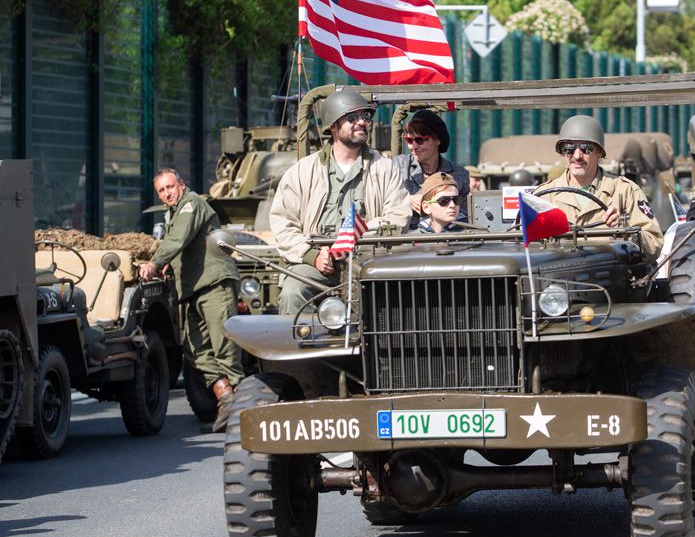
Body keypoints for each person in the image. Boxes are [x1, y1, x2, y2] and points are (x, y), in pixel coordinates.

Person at [270, 89, 411, 314]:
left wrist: (358, 237)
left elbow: (398, 216)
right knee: (292, 292)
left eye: (365, 117)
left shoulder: (384, 169)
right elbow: (282, 222)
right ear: (333, 126)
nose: (362, 123)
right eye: (352, 118)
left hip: (367, 261)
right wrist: (312, 256)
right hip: (317, 263)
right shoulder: (304, 171)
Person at [138, 168, 243, 433]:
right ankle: (226, 397)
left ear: (181, 185)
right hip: (193, 290)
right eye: (161, 191)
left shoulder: (191, 203)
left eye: (170, 187)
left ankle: (244, 412)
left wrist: (156, 262)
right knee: (194, 350)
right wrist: (167, 265)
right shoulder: (173, 213)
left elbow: (178, 239)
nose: (167, 193)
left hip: (214, 284)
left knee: (225, 347)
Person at [534, 115, 663, 259]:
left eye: (586, 149)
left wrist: (625, 232)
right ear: (562, 152)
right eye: (569, 148)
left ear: (599, 152)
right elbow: (518, 243)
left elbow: (654, 243)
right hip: (555, 278)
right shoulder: (543, 196)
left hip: (610, 278)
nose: (577, 156)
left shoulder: (625, 191)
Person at [395, 109, 470, 229]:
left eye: (420, 140)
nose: (413, 146)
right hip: (405, 240)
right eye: (409, 140)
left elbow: (464, 217)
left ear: (437, 140)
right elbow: (380, 199)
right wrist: (407, 200)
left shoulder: (459, 175)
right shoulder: (397, 167)